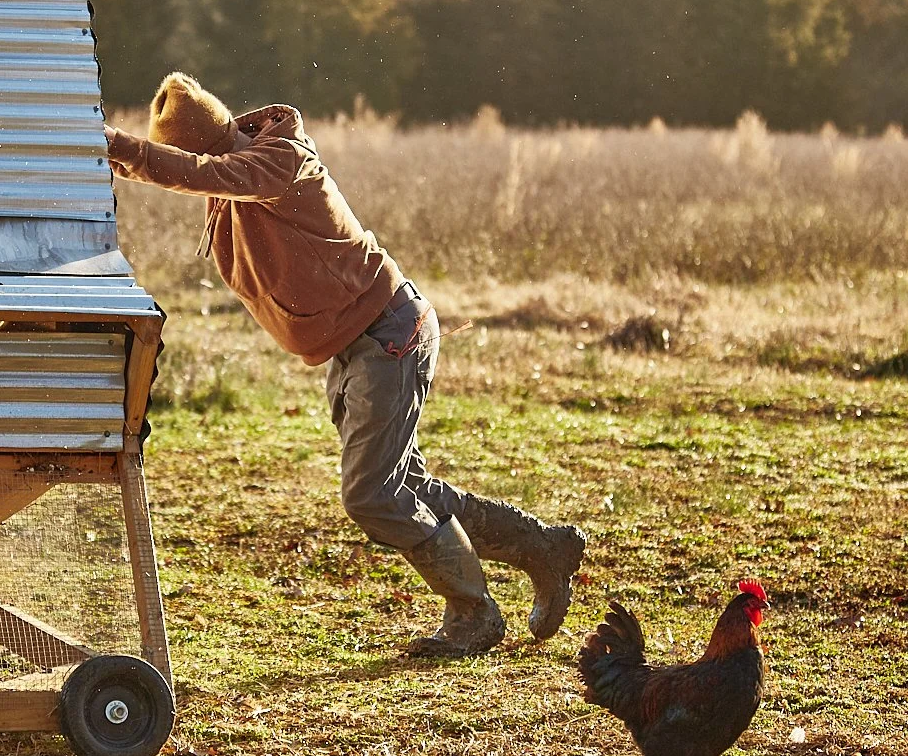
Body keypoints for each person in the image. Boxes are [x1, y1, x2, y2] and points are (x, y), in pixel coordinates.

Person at [105, 73, 586, 657]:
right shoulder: (232, 186)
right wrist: (104, 155)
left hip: (388, 332)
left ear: (208, 144)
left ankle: (474, 613)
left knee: (371, 494)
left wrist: (115, 145)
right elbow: (198, 176)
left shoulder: (279, 160)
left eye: (185, 155)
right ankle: (542, 547)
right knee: (403, 487)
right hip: (354, 345)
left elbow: (201, 173)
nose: (186, 170)